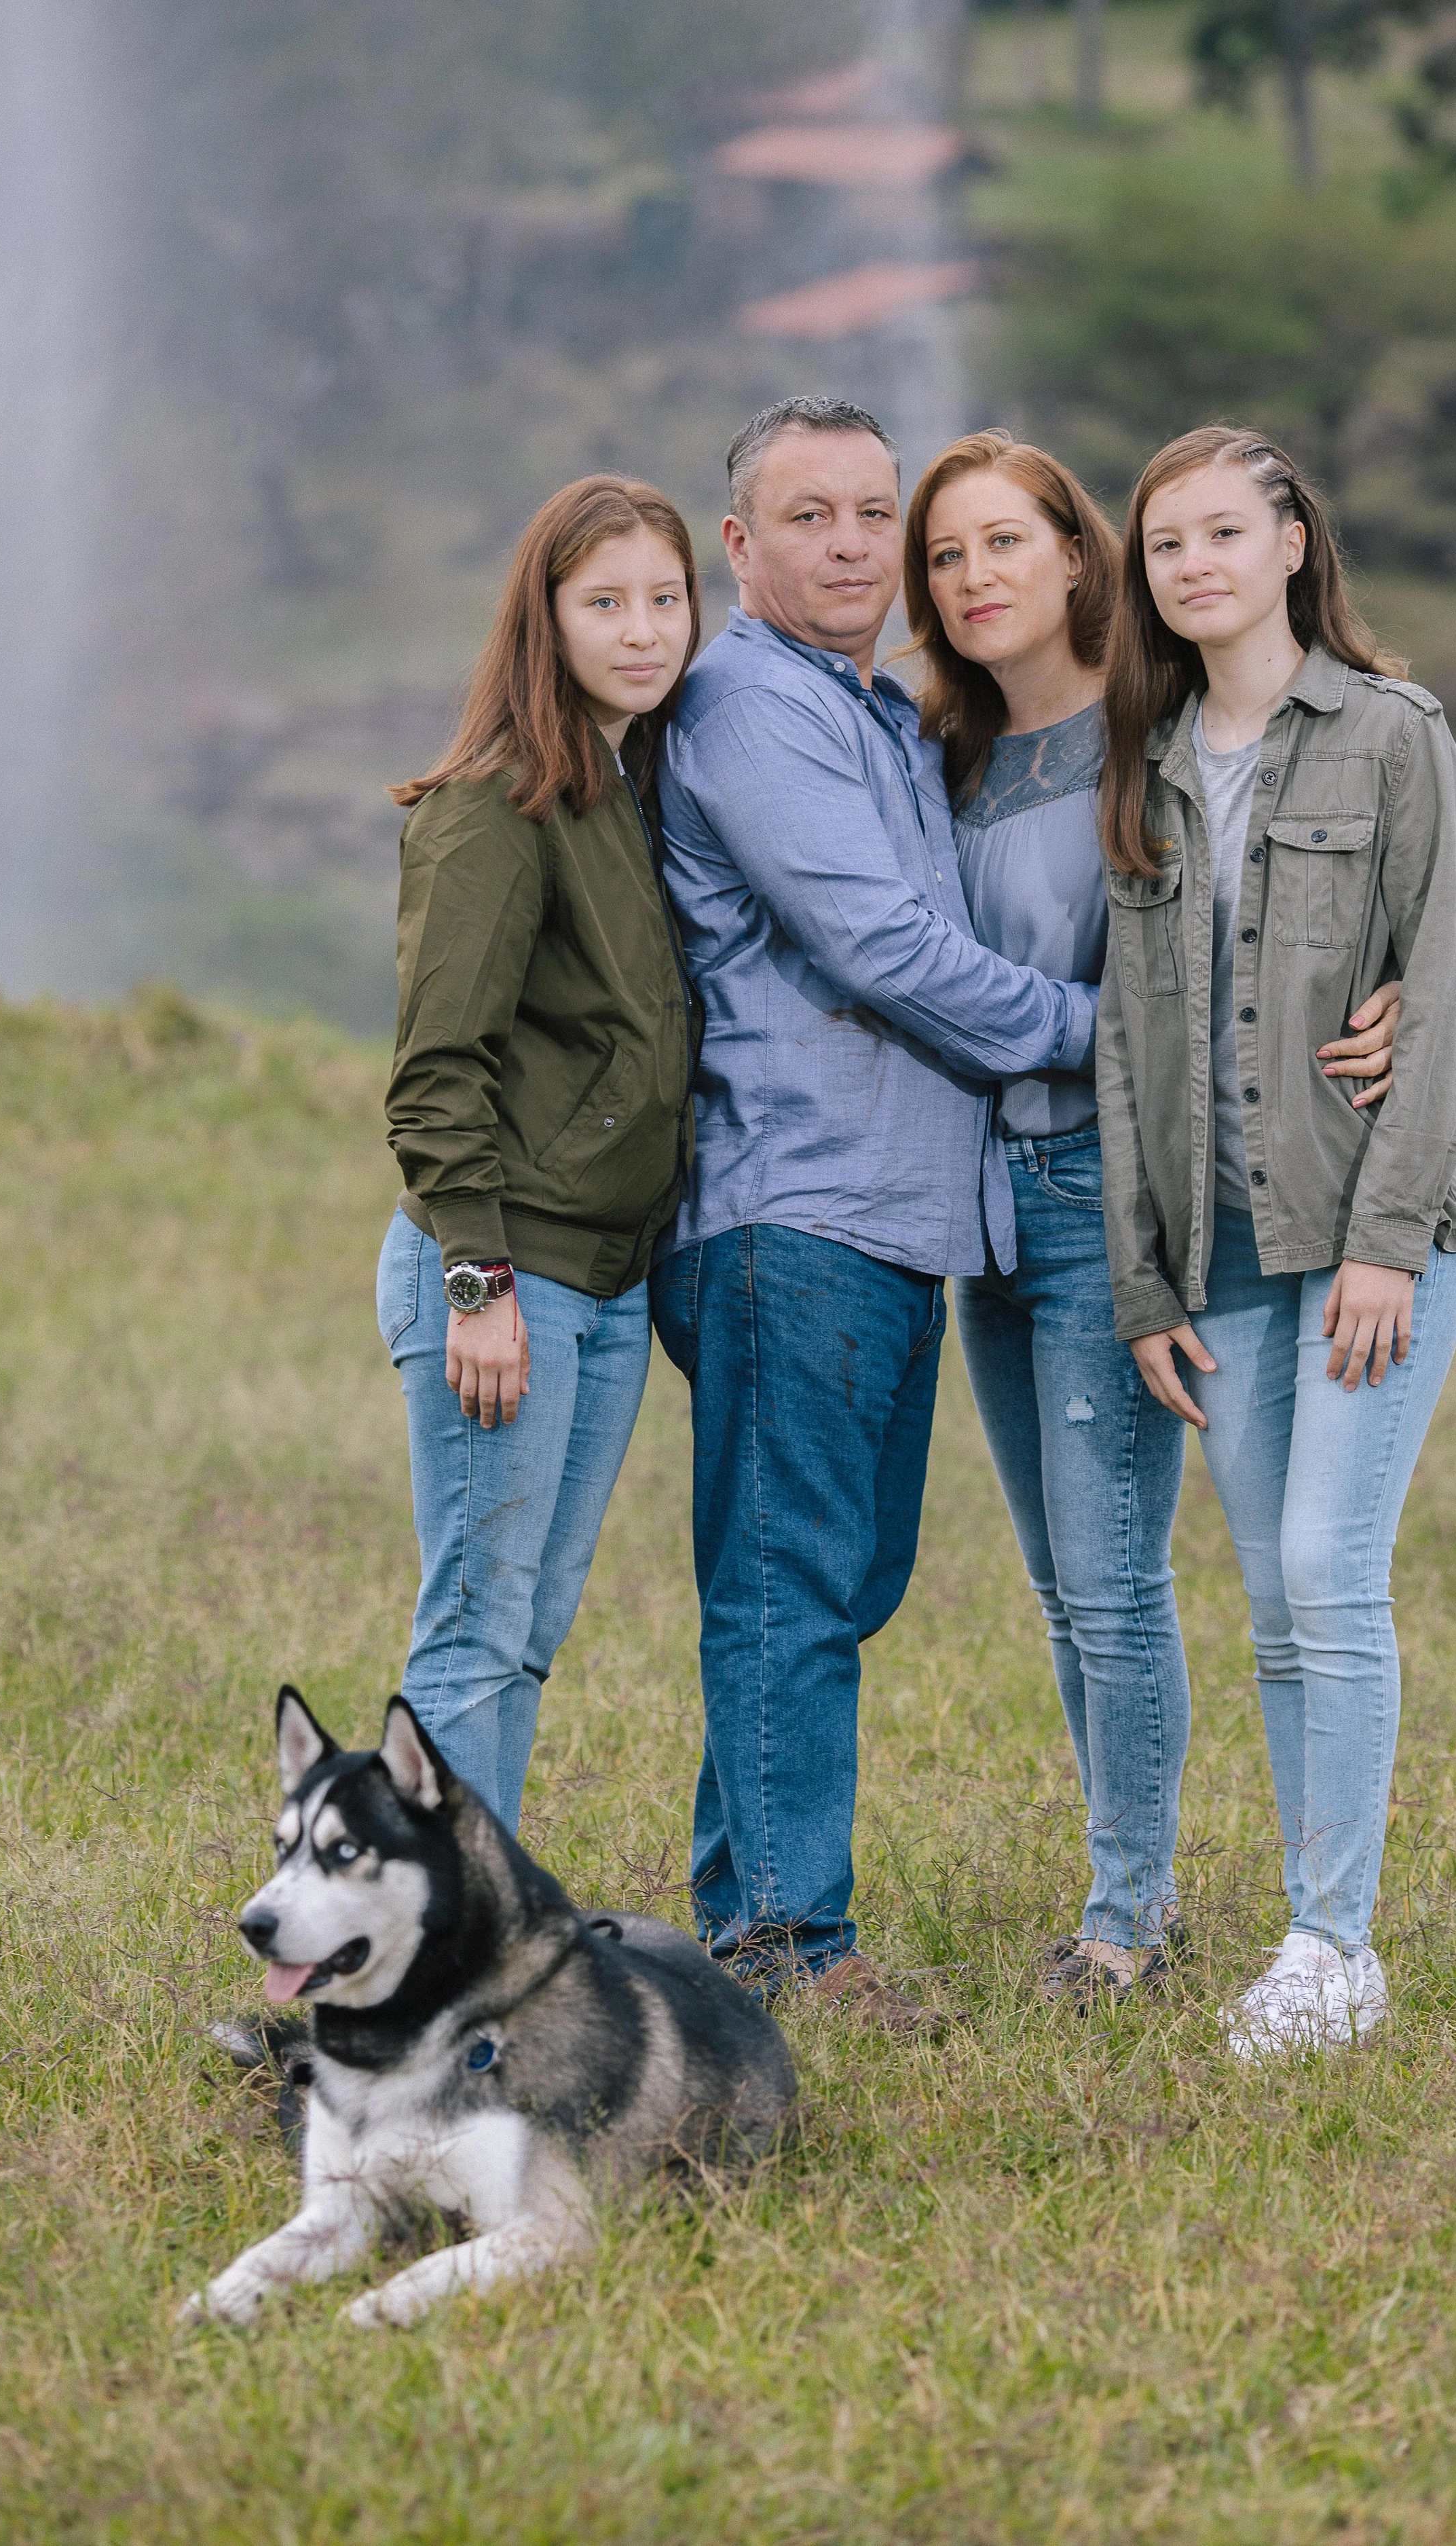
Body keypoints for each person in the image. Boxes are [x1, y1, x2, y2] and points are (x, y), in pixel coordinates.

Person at [906, 428, 1402, 2008]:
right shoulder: (938, 751)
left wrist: (1375, 999)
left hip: (1116, 1200)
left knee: (1120, 1578)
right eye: (944, 555)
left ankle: (1129, 1922)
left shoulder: (1161, 734)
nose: (973, 579)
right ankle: (1134, 1886)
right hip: (977, 1207)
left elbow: (1284, 913)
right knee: (1062, 1583)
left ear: (1074, 558)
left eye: (1003, 543)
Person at [650, 396, 1108, 2030]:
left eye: (870, 514)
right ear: (738, 546)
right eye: (809, 517)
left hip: (891, 1220)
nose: (849, 546)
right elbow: (883, 956)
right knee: (790, 1581)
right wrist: (1112, 1037)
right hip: (792, 1210)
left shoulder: (876, 713)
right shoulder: (749, 707)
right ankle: (785, 1948)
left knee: (833, 1580)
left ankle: (747, 1911)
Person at [1097, 423, 1456, 2060]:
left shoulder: (1391, 738)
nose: (1188, 565)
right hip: (1226, 1253)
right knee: (1271, 1601)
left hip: (1370, 1235)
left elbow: (1441, 986)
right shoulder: (1154, 764)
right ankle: (1303, 1926)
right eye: (1161, 545)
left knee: (1332, 1571)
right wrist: (1144, 1280)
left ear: (1287, 547)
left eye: (1215, 535)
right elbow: (1127, 1043)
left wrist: (1386, 1244)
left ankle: (1337, 1947)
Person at [377, 476, 703, 1834]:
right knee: (471, 1625)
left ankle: (471, 1940)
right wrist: (478, 1287)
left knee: (526, 1625)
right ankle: (422, 1969)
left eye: (666, 600)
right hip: (507, 1283)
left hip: (605, 1285)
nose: (642, 632)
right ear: (545, 619)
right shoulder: (492, 807)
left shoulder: (625, 789)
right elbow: (433, 1075)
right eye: (604, 603)